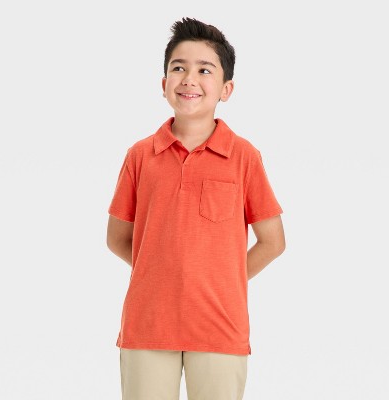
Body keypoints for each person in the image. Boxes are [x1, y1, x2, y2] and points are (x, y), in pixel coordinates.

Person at [106, 17, 286, 400]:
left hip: (220, 328)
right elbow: (117, 237)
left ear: (226, 89)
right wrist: (164, 273)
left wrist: (219, 278)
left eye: (205, 70)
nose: (189, 79)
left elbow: (273, 241)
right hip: (147, 326)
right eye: (178, 68)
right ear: (163, 84)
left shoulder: (244, 157)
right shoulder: (139, 156)